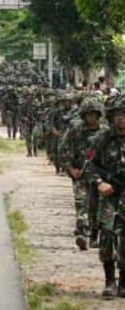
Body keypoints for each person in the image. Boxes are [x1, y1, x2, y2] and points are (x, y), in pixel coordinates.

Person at [84, 95, 125, 298]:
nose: (122, 119)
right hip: (109, 195)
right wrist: (100, 183)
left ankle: (124, 282)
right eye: (118, 115)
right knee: (107, 235)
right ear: (111, 118)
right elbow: (89, 167)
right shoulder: (102, 139)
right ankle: (109, 280)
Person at [59, 97, 108, 250]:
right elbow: (63, 150)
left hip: (99, 175)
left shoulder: (105, 131)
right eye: (88, 115)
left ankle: (94, 235)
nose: (91, 118)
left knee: (98, 205)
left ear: (99, 115)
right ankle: (82, 232)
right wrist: (71, 169)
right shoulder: (75, 129)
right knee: (81, 203)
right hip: (80, 173)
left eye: (94, 115)